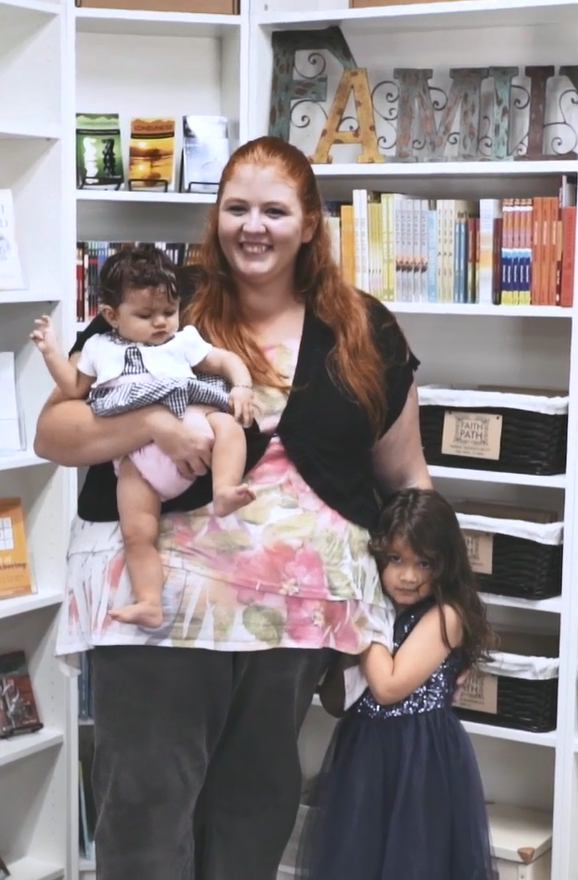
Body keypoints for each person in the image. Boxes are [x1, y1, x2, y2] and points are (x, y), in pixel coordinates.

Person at [34, 135, 431, 880]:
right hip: (164, 603)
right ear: (215, 215)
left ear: (310, 223)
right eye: (236, 207)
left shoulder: (362, 328)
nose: (254, 226)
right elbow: (54, 431)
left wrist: (442, 592)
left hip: (295, 614)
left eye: (275, 211)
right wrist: (150, 423)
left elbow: (404, 473)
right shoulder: (159, 305)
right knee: (147, 812)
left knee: (255, 811)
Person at [31, 244, 257, 627]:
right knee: (138, 533)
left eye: (169, 312)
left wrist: (242, 387)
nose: (161, 323)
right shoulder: (99, 347)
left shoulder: (182, 340)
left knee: (229, 427)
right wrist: (51, 352)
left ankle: (223, 489)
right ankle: (149, 601)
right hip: (137, 461)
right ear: (110, 316)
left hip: (192, 415)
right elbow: (72, 388)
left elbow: (223, 360)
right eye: (146, 315)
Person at [301, 488, 497, 880]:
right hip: (362, 753)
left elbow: (388, 687)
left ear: (445, 564)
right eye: (395, 559)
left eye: (424, 563)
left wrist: (366, 613)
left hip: (420, 756)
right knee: (357, 860)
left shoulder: (446, 615)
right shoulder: (381, 609)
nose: (408, 576)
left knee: (415, 861)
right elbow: (337, 700)